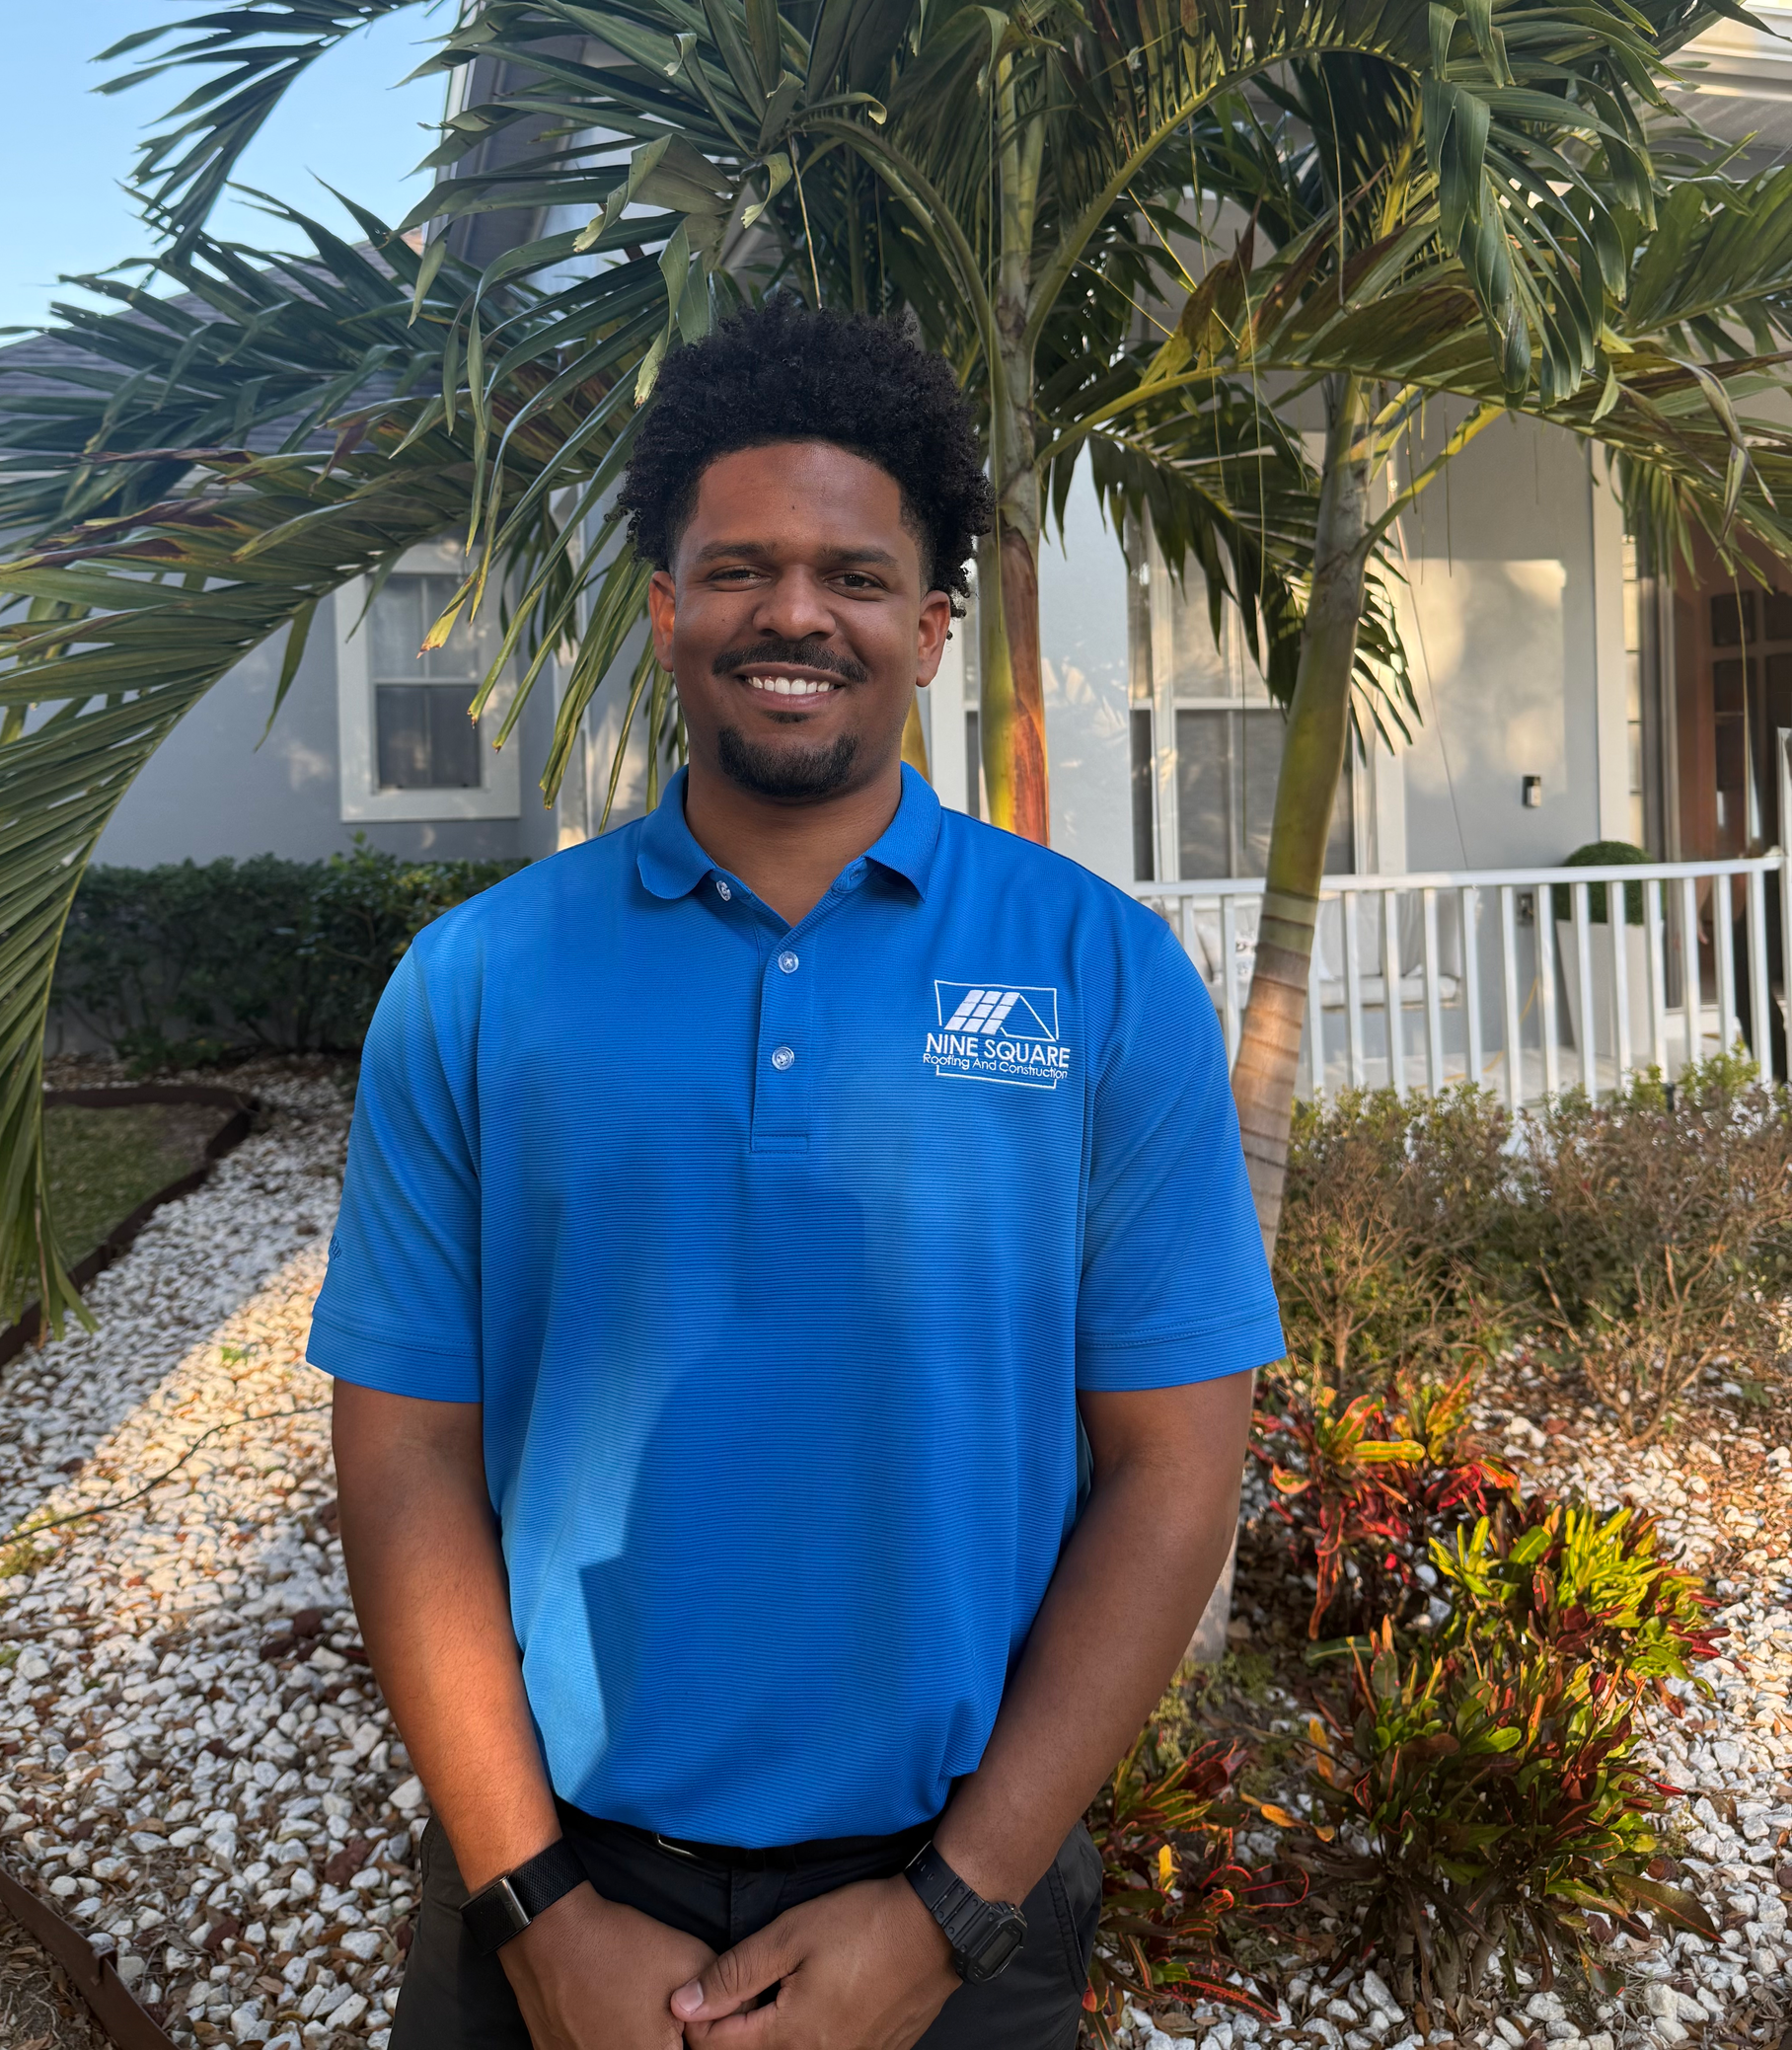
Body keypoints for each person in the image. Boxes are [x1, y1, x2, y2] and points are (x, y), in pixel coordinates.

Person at [307, 298, 1285, 2050]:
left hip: (953, 1901)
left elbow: (1171, 1471)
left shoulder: (1102, 974)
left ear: (928, 625)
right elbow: (404, 1463)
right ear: (668, 609)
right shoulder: (478, 985)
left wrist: (948, 1918)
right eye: (739, 568)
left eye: (850, 574)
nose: (794, 614)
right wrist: (536, 1914)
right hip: (557, 1884)